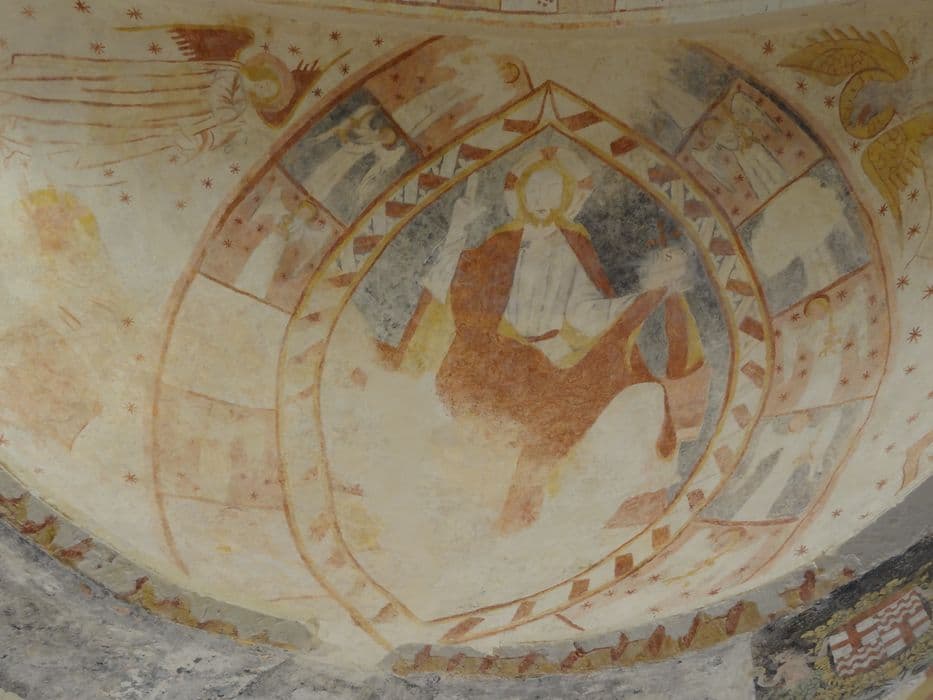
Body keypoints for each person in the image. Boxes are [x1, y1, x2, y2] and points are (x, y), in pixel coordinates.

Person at [400, 147, 705, 533]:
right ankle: (506, 505)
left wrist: (642, 299)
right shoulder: (501, 242)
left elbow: (585, 309)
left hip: (559, 355)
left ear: (566, 198)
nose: (542, 199)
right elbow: (452, 282)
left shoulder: (572, 243)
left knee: (630, 395)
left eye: (552, 191)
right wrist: (458, 227)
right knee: (511, 421)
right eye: (535, 190)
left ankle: (561, 501)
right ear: (521, 194)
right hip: (500, 353)